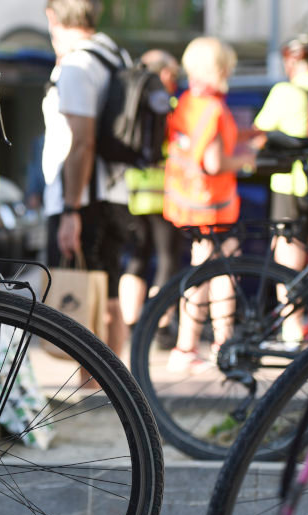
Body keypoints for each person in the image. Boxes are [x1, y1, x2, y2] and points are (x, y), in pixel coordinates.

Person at [42, 0, 134, 357]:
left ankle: (90, 387)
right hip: (115, 192)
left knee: (84, 296)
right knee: (108, 294)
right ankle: (111, 392)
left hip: (82, 197)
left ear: (53, 17)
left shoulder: (79, 65)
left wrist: (70, 211)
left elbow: (82, 142)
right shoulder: (114, 55)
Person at [163, 36, 257, 371]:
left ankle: (197, 345)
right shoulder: (215, 108)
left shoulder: (188, 101)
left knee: (205, 272)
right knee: (220, 274)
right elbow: (216, 163)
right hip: (215, 204)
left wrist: (246, 136)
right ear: (217, 68)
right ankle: (207, 345)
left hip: (189, 201)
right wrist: (246, 160)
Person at [253, 35, 308, 342]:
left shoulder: (284, 91)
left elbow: (261, 134)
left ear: (291, 61)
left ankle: (292, 334)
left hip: (288, 186)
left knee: (287, 263)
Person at [119, 49, 182, 333]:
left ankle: (131, 323)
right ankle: (159, 326)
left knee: (136, 257)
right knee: (167, 258)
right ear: (165, 73)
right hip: (161, 193)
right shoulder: (164, 103)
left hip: (131, 191)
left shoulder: (130, 95)